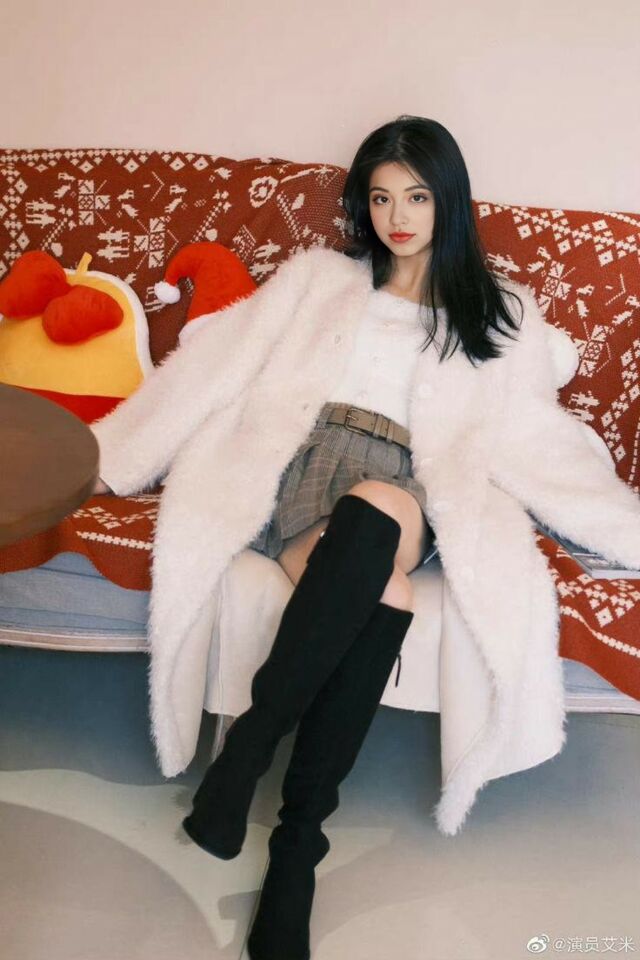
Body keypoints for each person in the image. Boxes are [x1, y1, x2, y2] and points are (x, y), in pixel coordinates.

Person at [93, 115, 526, 960]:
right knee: (384, 590)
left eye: (417, 197)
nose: (398, 217)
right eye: (382, 198)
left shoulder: (493, 311)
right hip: (311, 465)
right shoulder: (322, 279)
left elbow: (531, 434)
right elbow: (218, 364)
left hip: (408, 484)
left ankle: (247, 754)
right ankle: (298, 849)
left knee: (380, 506)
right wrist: (113, 455)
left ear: (448, 200)